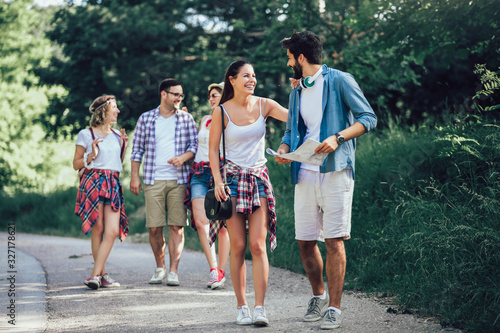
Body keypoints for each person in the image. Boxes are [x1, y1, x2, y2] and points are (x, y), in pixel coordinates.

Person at [276, 31, 377, 330]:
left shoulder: (341, 80)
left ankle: (334, 308)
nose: (288, 63)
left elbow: (368, 117)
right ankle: (318, 297)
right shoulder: (296, 89)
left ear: (302, 58)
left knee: (333, 241)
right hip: (303, 172)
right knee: (305, 242)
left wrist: (337, 137)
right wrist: (284, 148)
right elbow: (291, 130)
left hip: (335, 171)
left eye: (289, 58)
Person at [209, 60, 288, 327]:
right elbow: (212, 151)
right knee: (239, 246)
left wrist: (301, 90)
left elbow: (295, 116)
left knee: (257, 244)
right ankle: (242, 306)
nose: (251, 79)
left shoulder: (265, 105)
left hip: (258, 179)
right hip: (231, 181)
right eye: (246, 75)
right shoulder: (221, 111)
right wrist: (218, 181)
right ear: (232, 80)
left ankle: (260, 307)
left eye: (254, 75)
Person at [130, 79, 198, 286]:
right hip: (153, 178)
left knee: (177, 226)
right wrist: (135, 176)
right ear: (163, 94)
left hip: (179, 180)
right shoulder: (146, 119)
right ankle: (159, 268)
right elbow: (137, 149)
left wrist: (183, 158)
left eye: (181, 95)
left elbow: (195, 145)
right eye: (175, 94)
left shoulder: (186, 119)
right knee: (154, 227)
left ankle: (173, 271)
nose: (179, 98)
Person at [73, 95, 129, 290]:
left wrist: (124, 147)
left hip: (111, 181)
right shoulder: (86, 134)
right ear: (104, 110)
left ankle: (96, 275)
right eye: (115, 107)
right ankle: (99, 275)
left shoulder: (116, 135)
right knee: (97, 229)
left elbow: (116, 164)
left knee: (112, 230)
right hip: (93, 180)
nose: (118, 111)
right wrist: (92, 155)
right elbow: (76, 164)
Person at [184, 82, 230, 289]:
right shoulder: (205, 119)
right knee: (202, 221)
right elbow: (197, 145)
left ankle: (221, 271)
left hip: (220, 173)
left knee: (222, 226)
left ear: (224, 97)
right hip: (199, 173)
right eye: (209, 96)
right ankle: (213, 269)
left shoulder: (231, 120)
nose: (210, 99)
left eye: (214, 95)